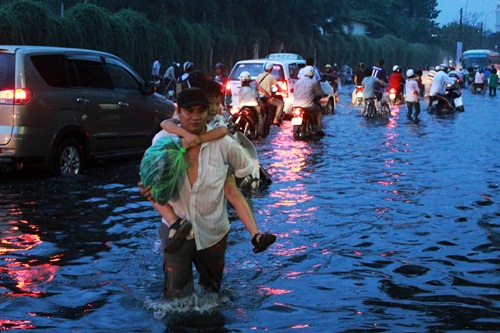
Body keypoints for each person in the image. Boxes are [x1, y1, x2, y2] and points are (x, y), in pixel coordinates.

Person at [139, 87, 276, 299]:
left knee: (212, 294)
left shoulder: (223, 144)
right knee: (174, 299)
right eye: (189, 111)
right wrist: (153, 189)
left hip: (214, 232)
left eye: (200, 111)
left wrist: (226, 182)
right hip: (176, 233)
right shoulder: (164, 140)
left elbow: (244, 171)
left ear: (208, 112)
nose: (195, 117)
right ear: (179, 111)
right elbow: (148, 178)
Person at [293, 65, 325, 136]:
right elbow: (320, 93)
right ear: (313, 74)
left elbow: (294, 93)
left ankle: (295, 131)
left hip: (295, 105)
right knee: (319, 111)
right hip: (308, 106)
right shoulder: (314, 83)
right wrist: (324, 95)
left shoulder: (298, 82)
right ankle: (319, 129)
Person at [238, 71, 265, 137]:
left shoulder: (240, 90)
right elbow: (257, 98)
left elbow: (240, 101)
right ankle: (260, 133)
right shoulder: (253, 89)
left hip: (243, 107)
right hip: (254, 106)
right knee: (259, 116)